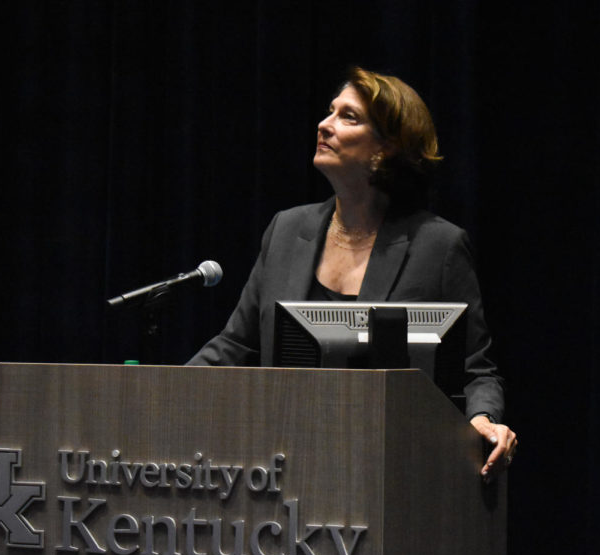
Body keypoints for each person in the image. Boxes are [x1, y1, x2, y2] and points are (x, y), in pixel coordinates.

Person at [188, 67, 517, 481]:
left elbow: (475, 369)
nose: (324, 124)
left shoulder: (438, 246)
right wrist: (162, 395)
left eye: (348, 117)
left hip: (388, 469)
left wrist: (484, 418)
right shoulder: (288, 231)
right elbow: (236, 344)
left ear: (388, 148)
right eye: (330, 111)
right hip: (277, 469)